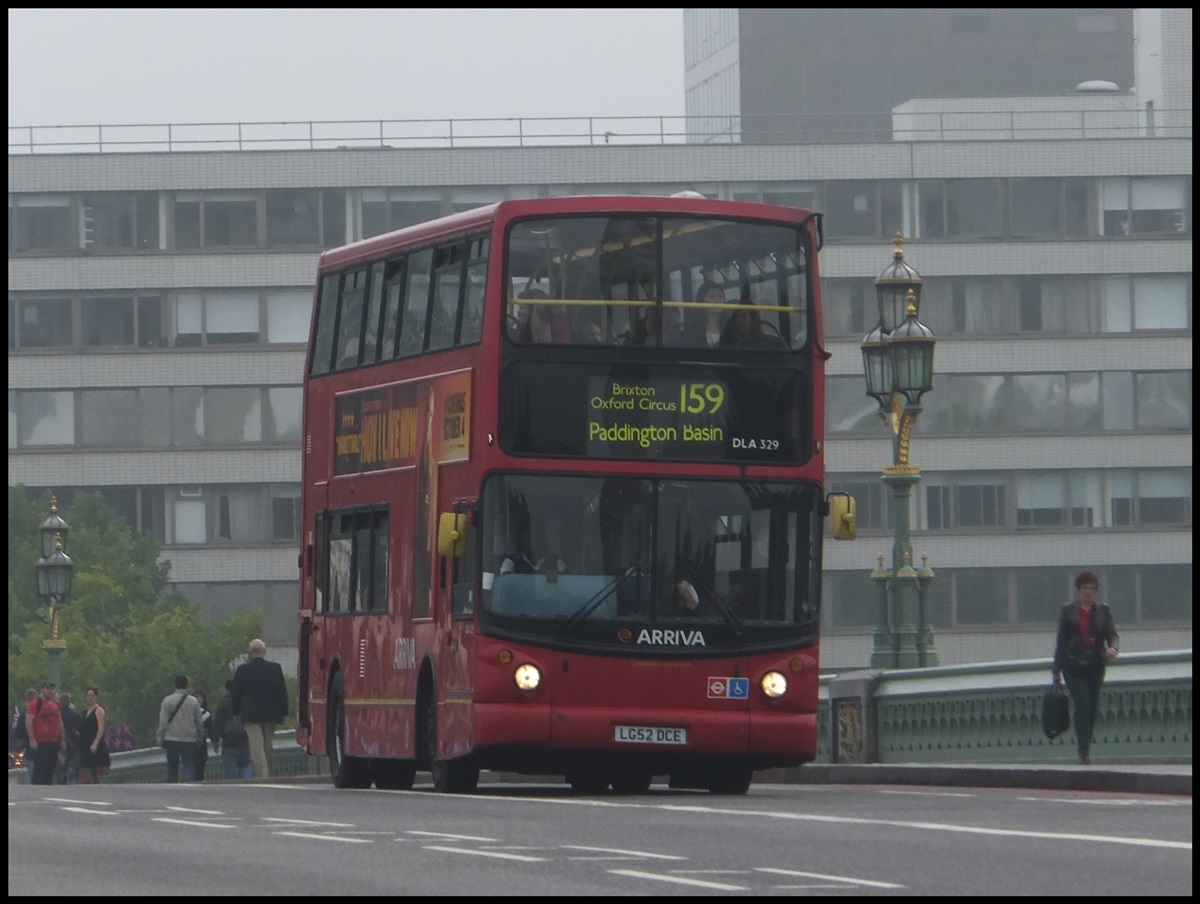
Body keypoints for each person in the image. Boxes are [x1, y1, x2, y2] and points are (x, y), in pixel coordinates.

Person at [1052, 570, 1119, 765]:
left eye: (1092, 588)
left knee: (1092, 707)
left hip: (1095, 665)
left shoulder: (1103, 611)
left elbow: (1112, 634)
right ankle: (1083, 749)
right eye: (1085, 588)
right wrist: (1056, 669)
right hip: (1072, 665)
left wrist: (1113, 648)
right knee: (1083, 704)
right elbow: (1061, 640)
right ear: (1078, 590)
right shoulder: (1068, 611)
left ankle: (1086, 744)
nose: (1088, 592)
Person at [231, 639, 289, 779]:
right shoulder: (275, 668)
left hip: (251, 715)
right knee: (267, 746)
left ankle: (262, 777)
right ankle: (270, 775)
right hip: (271, 714)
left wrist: (236, 712)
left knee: (256, 748)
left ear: (250, 652)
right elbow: (281, 691)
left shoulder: (242, 670)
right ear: (264, 652)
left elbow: (236, 694)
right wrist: (283, 712)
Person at [157, 675, 205, 783]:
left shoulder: (167, 700)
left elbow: (163, 722)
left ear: (175, 685)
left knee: (172, 767)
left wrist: (160, 736)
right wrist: (200, 736)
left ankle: (173, 786)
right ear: (186, 685)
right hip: (189, 739)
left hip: (172, 738)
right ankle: (191, 786)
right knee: (189, 765)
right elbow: (199, 721)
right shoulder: (193, 701)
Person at [25, 681, 65, 786]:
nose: (50, 691)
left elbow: (60, 723)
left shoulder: (56, 705)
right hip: (40, 741)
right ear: (42, 690)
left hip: (54, 741)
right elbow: (29, 721)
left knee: (51, 767)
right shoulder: (35, 704)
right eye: (47, 689)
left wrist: (63, 740)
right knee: (40, 767)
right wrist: (32, 739)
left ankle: (48, 786)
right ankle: (37, 788)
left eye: (52, 689)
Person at [212, 679, 253, 780]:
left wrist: (215, 740)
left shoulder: (222, 705)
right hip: (244, 740)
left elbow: (218, 723)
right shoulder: (246, 702)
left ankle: (234, 786)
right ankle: (247, 784)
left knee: (230, 770)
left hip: (228, 741)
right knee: (246, 765)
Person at [78, 687, 111, 784]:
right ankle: (92, 784)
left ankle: (96, 784)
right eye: (88, 696)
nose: (90, 698)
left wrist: (95, 744)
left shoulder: (99, 710)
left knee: (95, 767)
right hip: (85, 743)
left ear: (96, 697)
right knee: (85, 766)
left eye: (92, 695)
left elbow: (101, 728)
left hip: (95, 742)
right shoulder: (85, 712)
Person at [56, 691, 83, 786]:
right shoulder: (75, 715)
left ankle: (61, 786)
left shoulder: (57, 715)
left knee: (61, 769)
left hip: (60, 746)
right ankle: (73, 787)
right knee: (73, 770)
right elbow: (81, 730)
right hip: (73, 746)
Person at [692, 281, 725, 348]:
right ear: (702, 301)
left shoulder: (728, 326)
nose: (718, 301)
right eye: (711, 297)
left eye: (721, 296)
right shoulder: (693, 328)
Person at [193, 689, 215, 782]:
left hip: (201, 742)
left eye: (200, 697)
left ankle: (199, 780)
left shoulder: (206, 713)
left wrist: (214, 740)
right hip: (190, 741)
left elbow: (210, 728)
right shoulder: (188, 712)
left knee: (201, 763)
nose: (198, 699)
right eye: (196, 697)